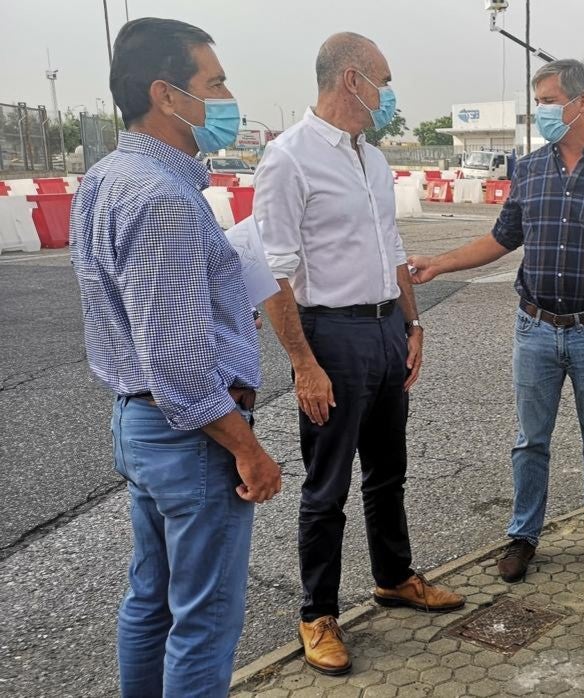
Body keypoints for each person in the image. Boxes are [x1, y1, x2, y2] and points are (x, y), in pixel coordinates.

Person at [69, 18, 282, 697]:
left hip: (142, 427)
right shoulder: (163, 199)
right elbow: (181, 368)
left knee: (151, 602)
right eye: (213, 82)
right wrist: (248, 449)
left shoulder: (107, 176)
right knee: (203, 621)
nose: (226, 97)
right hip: (191, 437)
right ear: (167, 94)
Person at [254, 32, 463, 676]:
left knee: (388, 470)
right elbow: (274, 273)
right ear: (352, 79)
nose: (390, 92)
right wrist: (304, 364)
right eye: (385, 79)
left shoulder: (370, 158)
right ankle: (318, 613)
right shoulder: (288, 159)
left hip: (383, 331)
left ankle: (394, 577)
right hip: (331, 337)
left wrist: (411, 322)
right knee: (327, 485)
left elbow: (391, 246)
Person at [407, 59, 584, 583]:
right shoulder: (529, 169)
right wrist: (439, 262)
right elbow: (502, 239)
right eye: (539, 101)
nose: (540, 111)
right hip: (535, 328)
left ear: (580, 103)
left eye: (547, 100)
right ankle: (523, 535)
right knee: (530, 440)